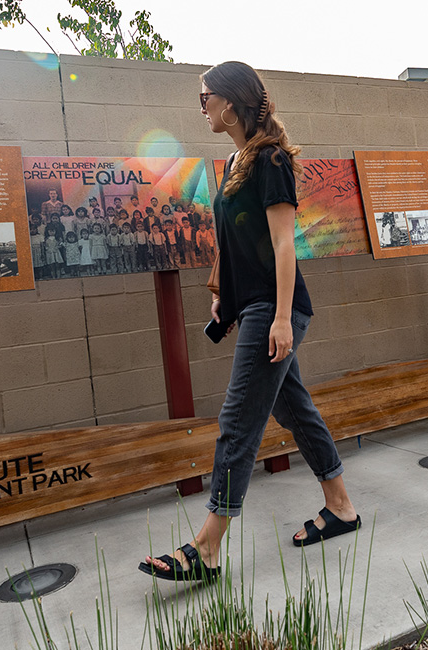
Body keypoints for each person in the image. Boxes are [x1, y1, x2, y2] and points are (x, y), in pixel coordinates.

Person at [138, 61, 360, 583]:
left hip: (275, 310)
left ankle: (207, 547)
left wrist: (280, 317)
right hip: (254, 306)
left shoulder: (271, 160)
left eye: (205, 97)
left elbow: (285, 244)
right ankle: (342, 506)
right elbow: (239, 240)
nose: (201, 107)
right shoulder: (236, 160)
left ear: (231, 103)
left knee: (237, 421)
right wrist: (224, 295)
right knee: (296, 411)